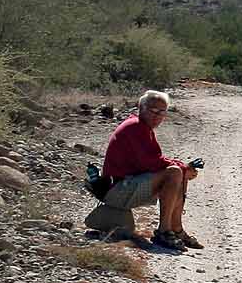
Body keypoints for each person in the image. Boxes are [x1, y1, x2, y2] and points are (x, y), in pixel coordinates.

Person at [86, 89, 201, 249]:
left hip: (124, 187)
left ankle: (176, 229)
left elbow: (153, 161)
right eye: (152, 110)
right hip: (117, 190)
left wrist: (183, 168)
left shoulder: (142, 127)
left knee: (178, 172)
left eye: (161, 111)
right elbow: (152, 163)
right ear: (141, 108)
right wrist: (183, 167)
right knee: (175, 172)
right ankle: (164, 231)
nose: (157, 115)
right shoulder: (136, 127)